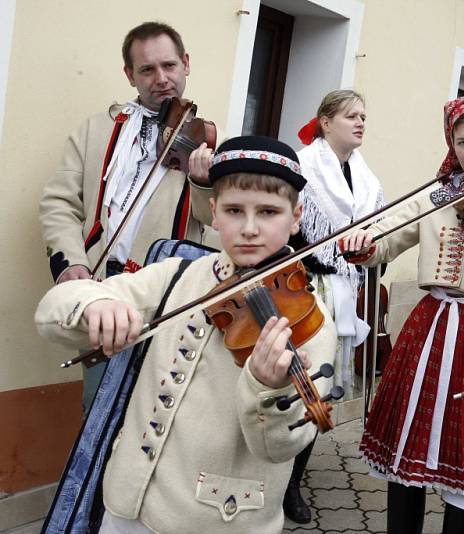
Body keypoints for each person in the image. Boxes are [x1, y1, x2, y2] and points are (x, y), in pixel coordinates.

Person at [35, 136, 337, 534]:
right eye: (234, 210)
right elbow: (53, 310)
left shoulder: (311, 321)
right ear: (213, 213)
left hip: (216, 518)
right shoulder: (176, 275)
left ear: (295, 217)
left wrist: (269, 387)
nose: (249, 229)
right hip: (125, 505)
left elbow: (280, 447)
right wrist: (94, 303)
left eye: (268, 212)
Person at [340, 91, 464, 534]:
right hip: (430, 326)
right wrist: (364, 243)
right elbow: (387, 238)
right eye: (462, 141)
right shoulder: (437, 194)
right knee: (408, 438)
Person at [39, 21, 218, 412]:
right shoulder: (97, 130)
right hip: (103, 290)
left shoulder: (202, 139)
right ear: (130, 75)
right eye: (147, 69)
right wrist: (71, 263)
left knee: (152, 410)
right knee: (98, 404)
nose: (161, 79)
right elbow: (59, 202)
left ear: (186, 64)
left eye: (169, 66)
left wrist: (204, 183)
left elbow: (214, 221)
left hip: (164, 297)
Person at [280, 90, 384, 523]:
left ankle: (291, 485)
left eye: (364, 115)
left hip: (343, 290)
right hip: (300, 290)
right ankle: (269, 478)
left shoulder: (368, 180)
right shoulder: (301, 166)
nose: (360, 122)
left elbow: (378, 237)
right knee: (287, 388)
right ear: (325, 121)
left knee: (318, 390)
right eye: (351, 116)